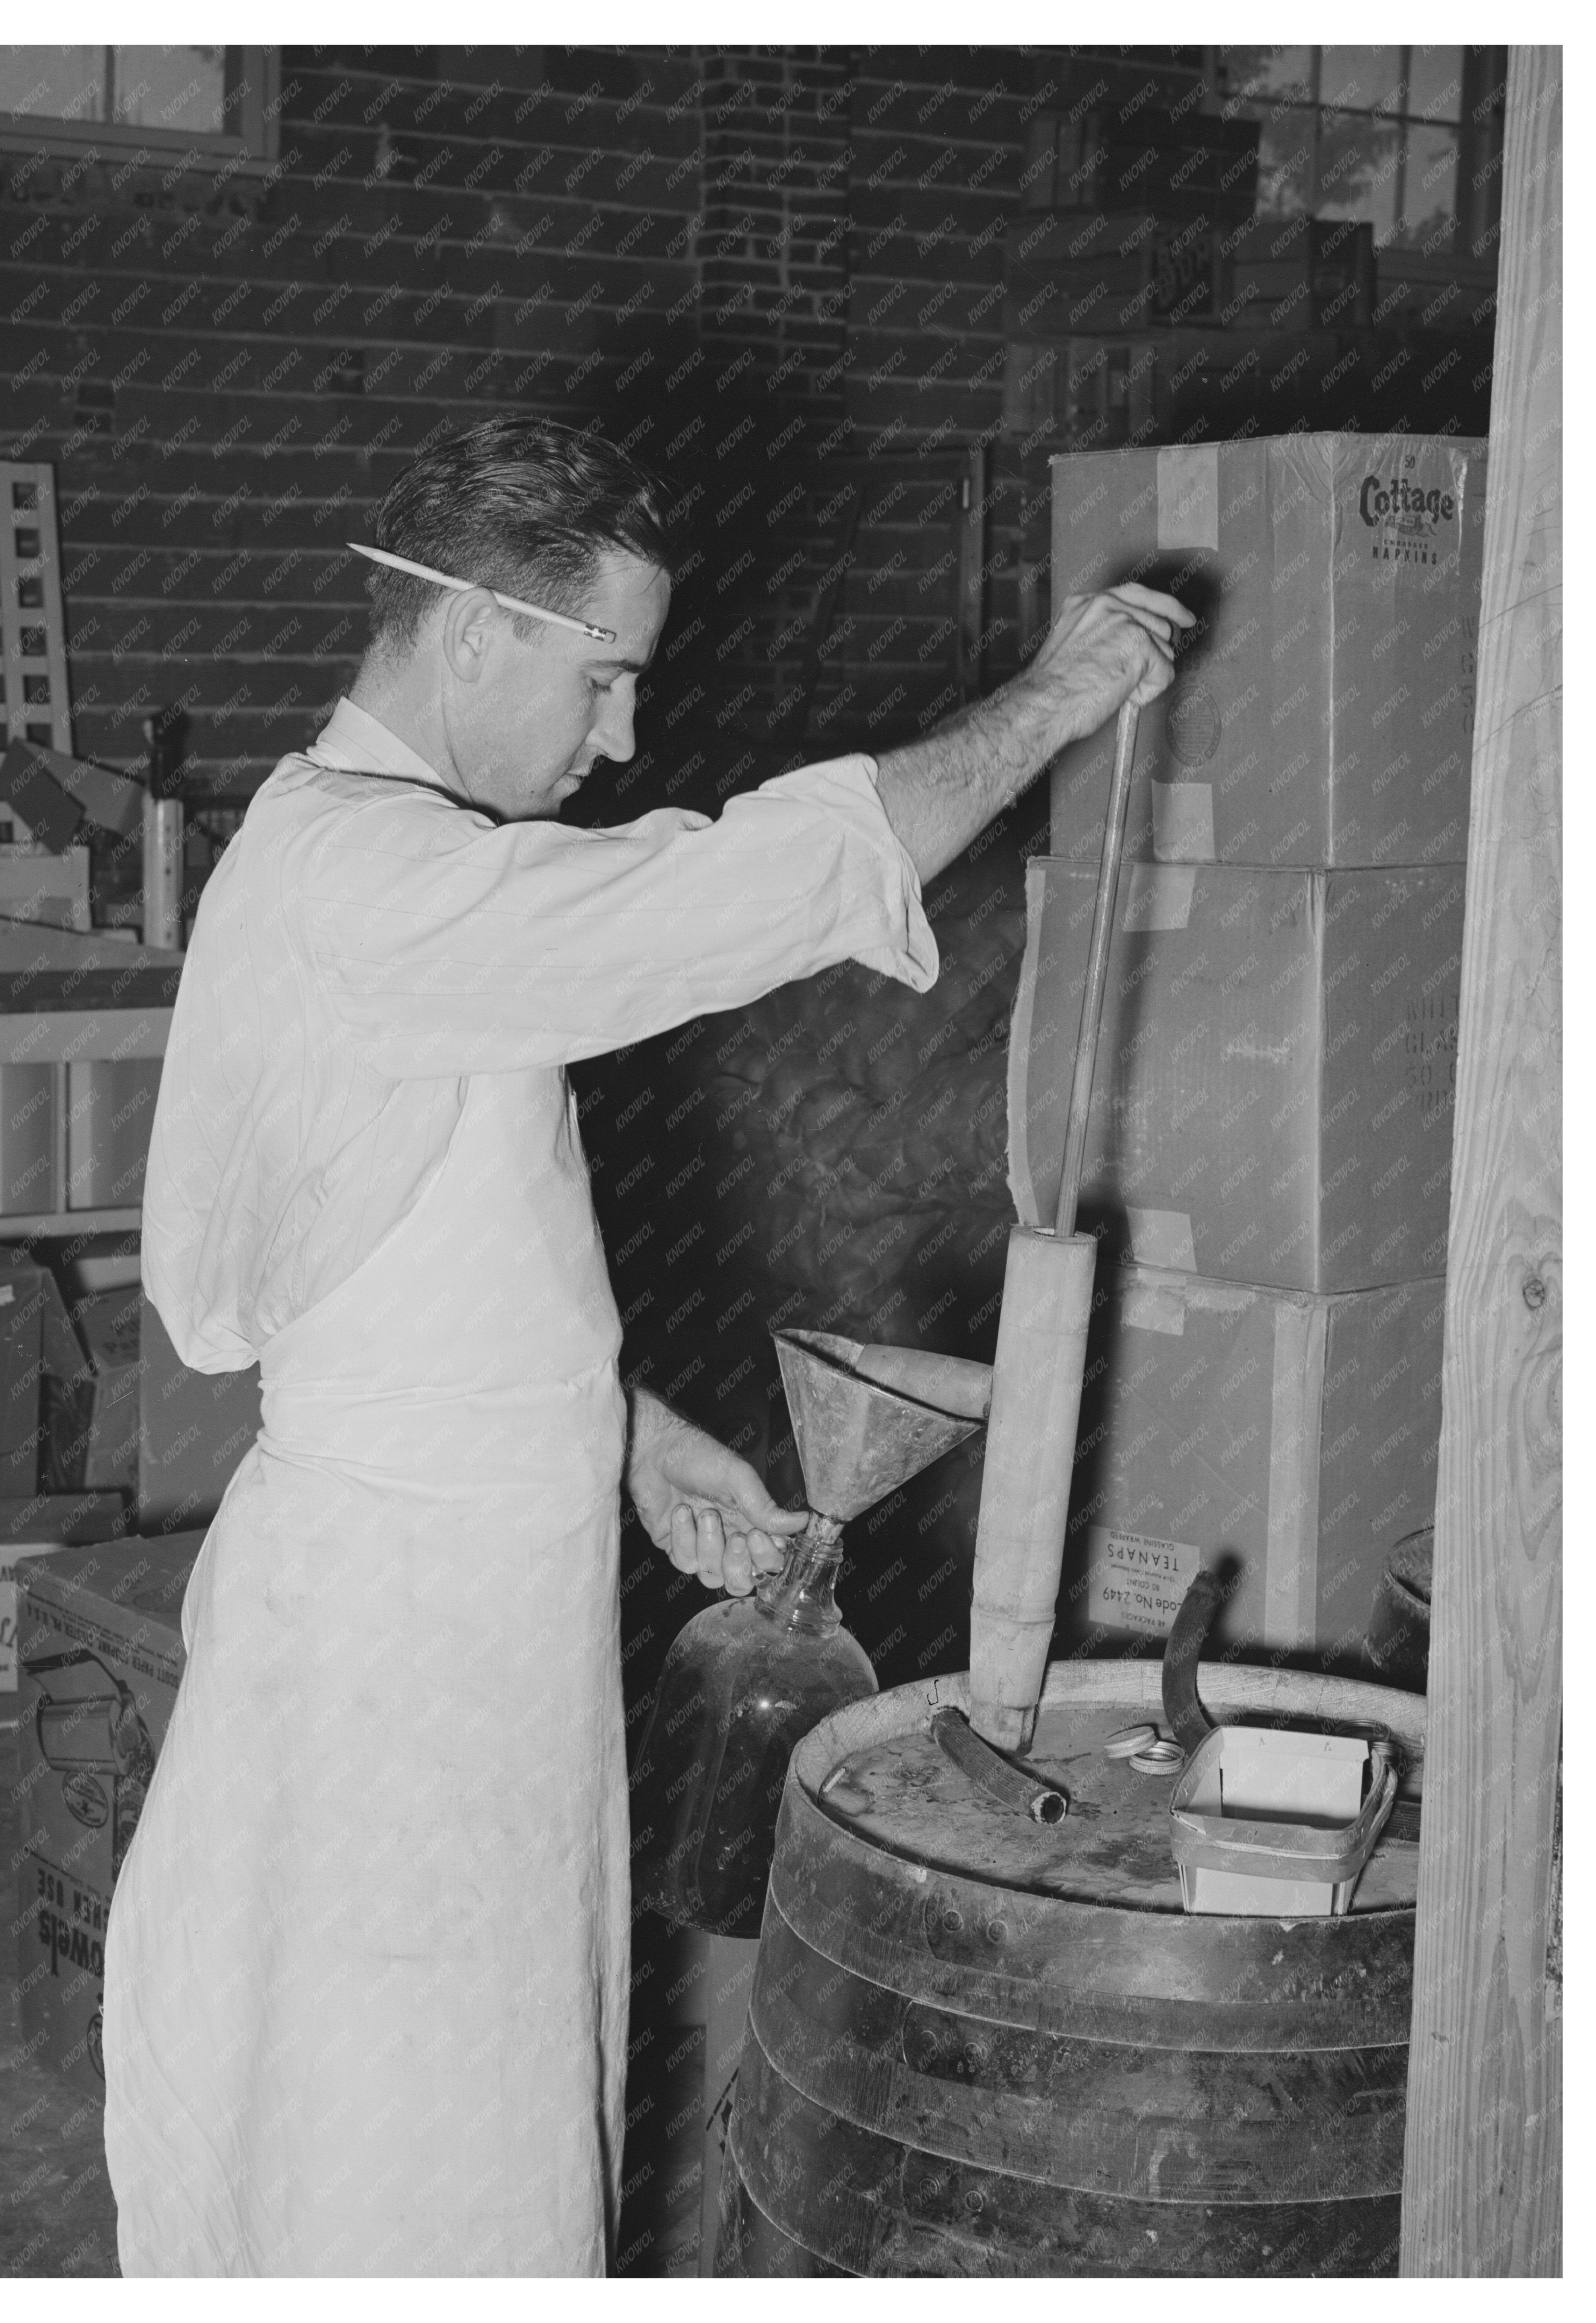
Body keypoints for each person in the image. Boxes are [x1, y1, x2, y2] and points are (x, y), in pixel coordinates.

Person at [103, 416, 1188, 2276]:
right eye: (603, 677)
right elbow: (731, 894)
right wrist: (1055, 698)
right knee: (401, 2150)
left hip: (459, 1608)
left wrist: (620, 1422)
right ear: (472, 639)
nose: (618, 737)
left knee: (473, 2106)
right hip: (392, 1659)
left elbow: (414, 1245)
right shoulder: (369, 881)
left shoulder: (410, 871)